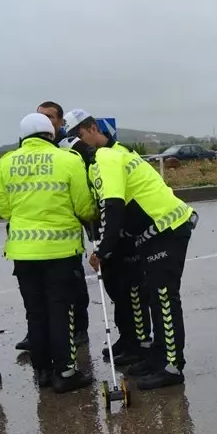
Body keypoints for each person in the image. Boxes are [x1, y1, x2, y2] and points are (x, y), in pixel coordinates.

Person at [65, 108, 196, 390]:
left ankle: (172, 366)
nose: (77, 143)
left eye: (77, 135)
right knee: (153, 294)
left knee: (163, 297)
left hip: (166, 229)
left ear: (90, 129)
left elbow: (112, 207)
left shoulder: (106, 157)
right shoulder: (115, 153)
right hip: (153, 233)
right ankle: (158, 356)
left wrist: (102, 250)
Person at [0, 113, 97, 393]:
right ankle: (65, 371)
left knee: (35, 312)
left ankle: (42, 371)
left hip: (24, 253)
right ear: (51, 135)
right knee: (61, 311)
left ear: (23, 137)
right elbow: (85, 206)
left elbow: (3, 208)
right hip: (61, 251)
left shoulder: (5, 163)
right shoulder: (68, 160)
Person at [59, 135, 152, 367]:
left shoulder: (102, 162)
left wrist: (104, 245)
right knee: (117, 292)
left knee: (132, 292)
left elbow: (111, 206)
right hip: (107, 237)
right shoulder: (88, 168)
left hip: (124, 237)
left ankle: (140, 342)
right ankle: (127, 337)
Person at [14, 101, 91, 352]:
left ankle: (79, 329)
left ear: (59, 121)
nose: (45, 121)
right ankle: (37, 334)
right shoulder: (25, 149)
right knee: (35, 295)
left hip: (65, 229)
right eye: (40, 116)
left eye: (50, 116)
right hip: (32, 234)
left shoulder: (73, 147)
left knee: (73, 285)